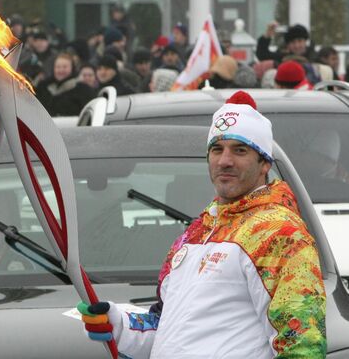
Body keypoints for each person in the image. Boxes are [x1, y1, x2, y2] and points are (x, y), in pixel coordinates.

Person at [79, 91, 326, 358]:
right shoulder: (198, 233)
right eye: (217, 149)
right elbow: (170, 328)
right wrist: (119, 324)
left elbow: (302, 343)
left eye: (240, 150)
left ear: (264, 162)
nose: (225, 161)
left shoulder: (279, 234)